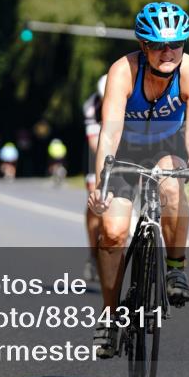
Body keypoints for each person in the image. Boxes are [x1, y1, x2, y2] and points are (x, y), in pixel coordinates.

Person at [87, 1, 189, 358]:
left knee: (171, 184)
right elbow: (109, 132)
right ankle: (111, 315)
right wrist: (102, 183)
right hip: (125, 151)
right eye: (159, 45)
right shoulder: (123, 71)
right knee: (112, 233)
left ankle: (176, 268)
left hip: (168, 147)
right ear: (144, 45)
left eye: (176, 44)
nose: (168, 52)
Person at [81, 74, 108, 281]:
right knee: (94, 200)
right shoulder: (92, 105)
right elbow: (94, 141)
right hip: (99, 151)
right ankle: (93, 254)